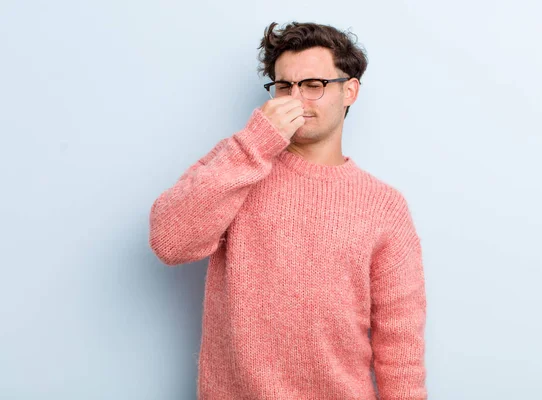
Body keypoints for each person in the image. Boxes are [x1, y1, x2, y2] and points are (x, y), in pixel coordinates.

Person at [149, 21, 427, 400]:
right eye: (284, 86)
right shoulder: (239, 162)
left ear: (350, 91)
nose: (296, 99)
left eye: (314, 85)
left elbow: (400, 344)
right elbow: (170, 242)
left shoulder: (384, 205)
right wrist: (257, 142)